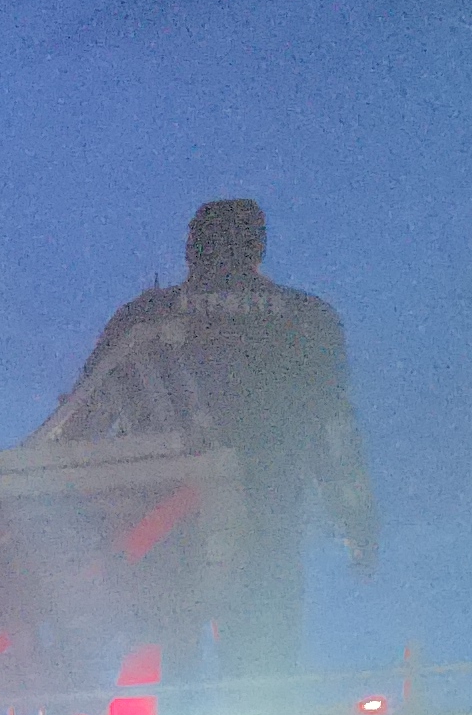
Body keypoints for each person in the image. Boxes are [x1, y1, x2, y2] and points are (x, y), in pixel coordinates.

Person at [63, 199, 377, 680]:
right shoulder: (308, 322)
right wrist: (357, 521)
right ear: (260, 247)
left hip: (160, 536)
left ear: (191, 248)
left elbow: (81, 429)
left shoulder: (143, 321)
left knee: (162, 674)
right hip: (266, 526)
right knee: (263, 677)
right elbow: (333, 434)